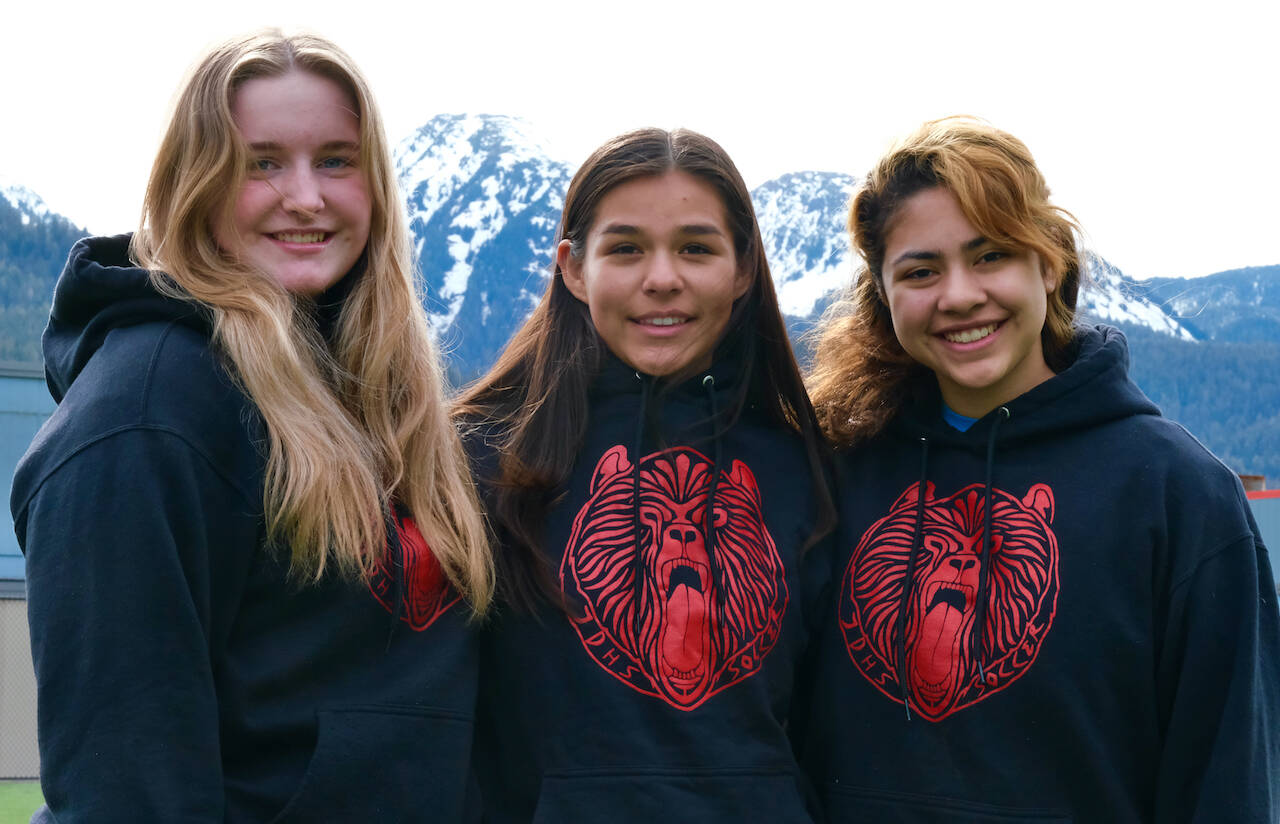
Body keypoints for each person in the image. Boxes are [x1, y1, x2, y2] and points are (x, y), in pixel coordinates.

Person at [11, 30, 493, 823]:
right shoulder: (146, 417)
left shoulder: (371, 393)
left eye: (337, 160)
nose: (305, 196)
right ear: (194, 182)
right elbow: (126, 784)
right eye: (260, 163)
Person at [799, 116, 1280, 822]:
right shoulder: (830, 474)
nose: (958, 295)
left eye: (990, 255)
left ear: (1048, 263)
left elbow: (1227, 779)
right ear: (884, 293)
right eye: (921, 270)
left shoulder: (1177, 494)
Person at [454, 127, 836, 822]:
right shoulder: (479, 459)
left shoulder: (806, 467)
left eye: (696, 247)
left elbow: (829, 729)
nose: (663, 278)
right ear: (573, 268)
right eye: (626, 249)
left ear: (744, 267)